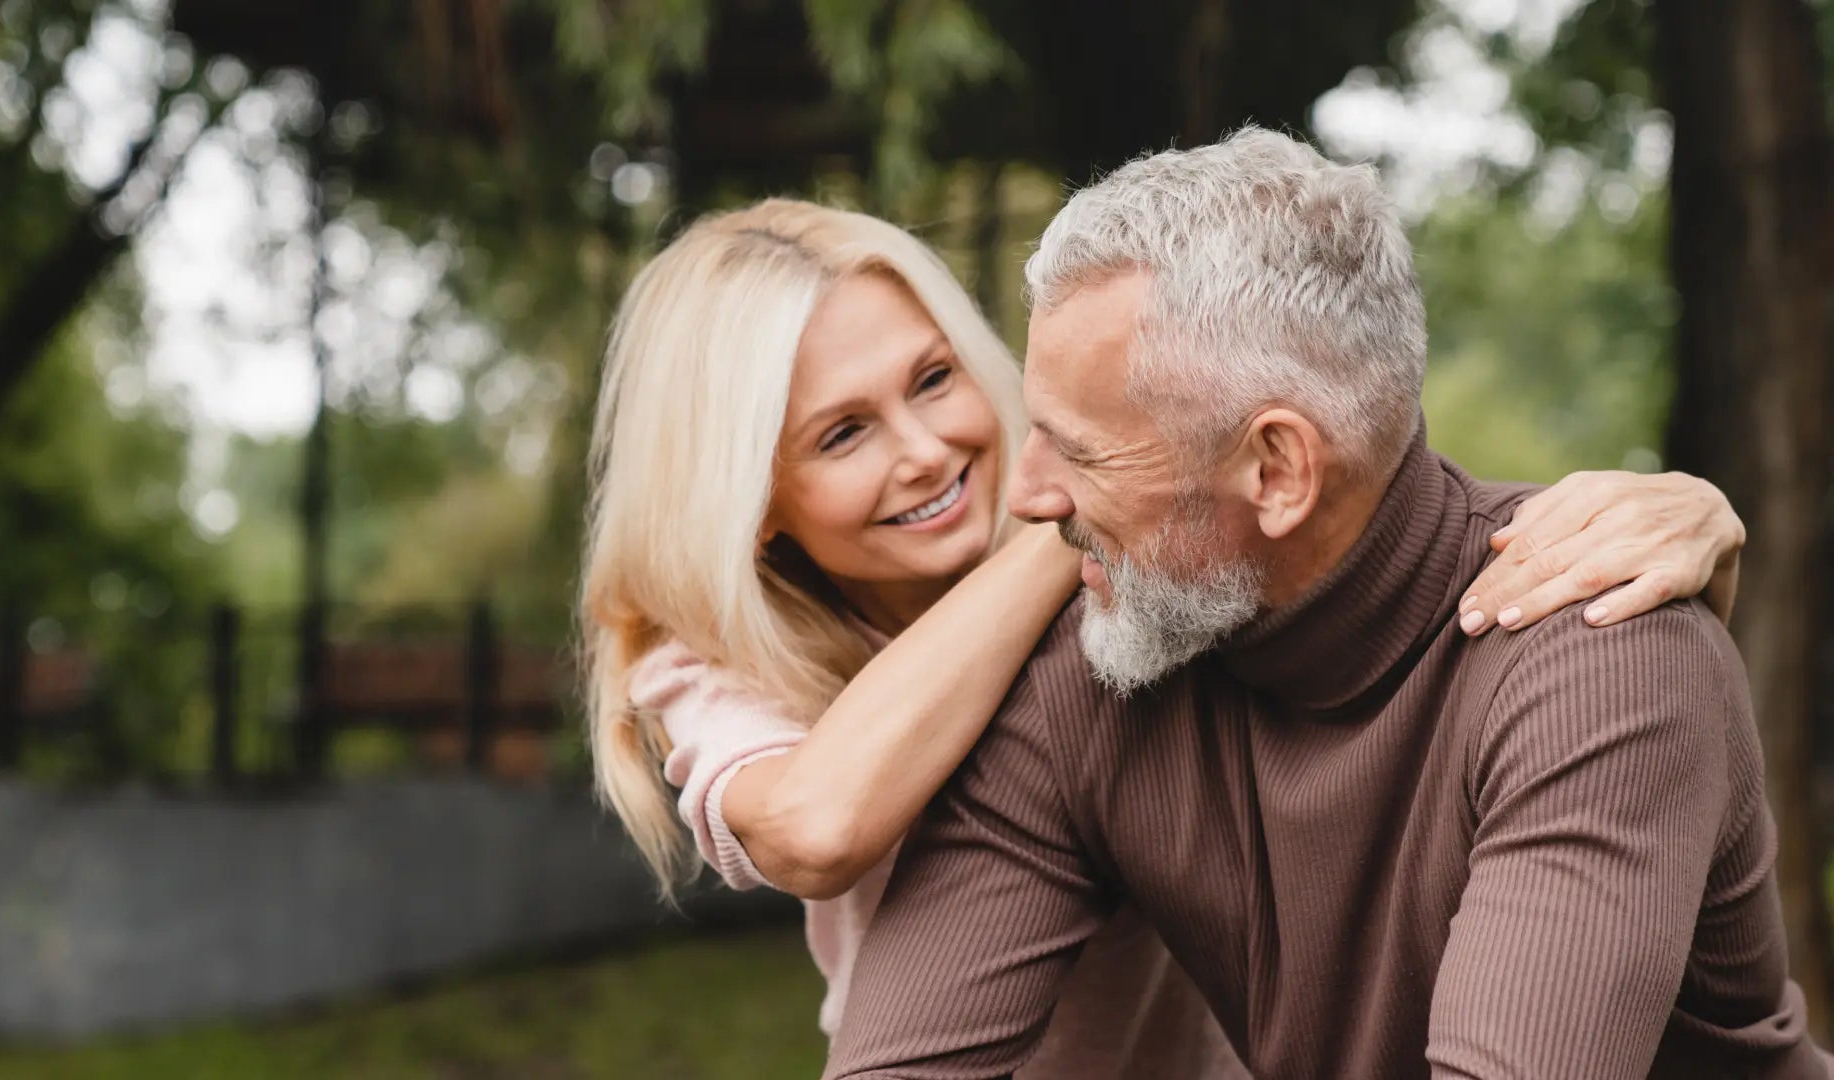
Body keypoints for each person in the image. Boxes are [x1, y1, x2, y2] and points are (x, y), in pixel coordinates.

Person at [580, 198, 1749, 1076]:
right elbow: (812, 824)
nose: (927, 451)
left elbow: (1359, 551)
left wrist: (1689, 521)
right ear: (752, 497)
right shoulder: (709, 664)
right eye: (841, 435)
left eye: (934, 378)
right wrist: (1094, 517)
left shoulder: (1141, 608)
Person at [822, 129, 1827, 1079]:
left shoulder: (1598, 656)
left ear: (1277, 469)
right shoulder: (1090, 679)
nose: (1028, 496)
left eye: (1079, 451)